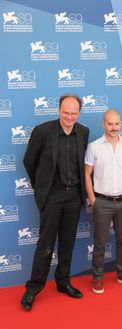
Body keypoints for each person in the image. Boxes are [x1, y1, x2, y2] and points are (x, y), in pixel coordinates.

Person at [20, 94, 89, 311]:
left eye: (74, 113)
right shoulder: (42, 131)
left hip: (74, 196)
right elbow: (29, 161)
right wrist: (42, 188)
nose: (69, 117)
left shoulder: (84, 132)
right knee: (46, 244)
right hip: (52, 196)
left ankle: (63, 282)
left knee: (67, 242)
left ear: (79, 113)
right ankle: (33, 289)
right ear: (59, 110)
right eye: (66, 112)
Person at [85, 109, 122, 294]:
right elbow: (87, 174)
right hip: (102, 202)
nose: (114, 127)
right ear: (103, 124)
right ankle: (98, 278)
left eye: (117, 123)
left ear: (120, 124)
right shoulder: (94, 147)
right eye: (110, 124)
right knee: (100, 242)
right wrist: (93, 199)